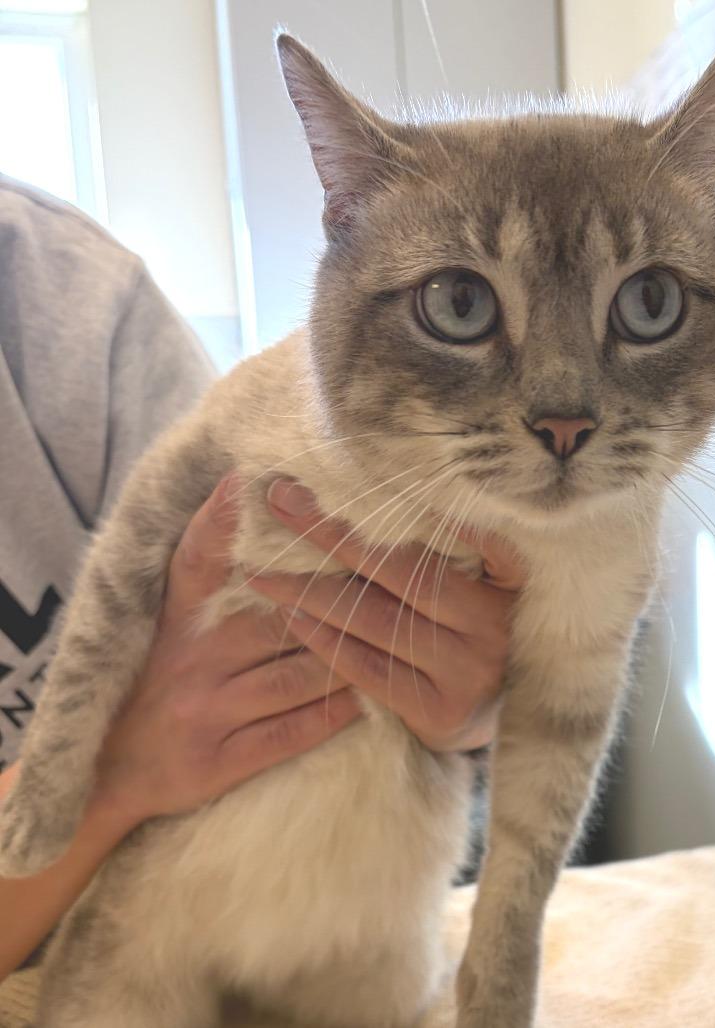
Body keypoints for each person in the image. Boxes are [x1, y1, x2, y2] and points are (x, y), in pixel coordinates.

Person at [0, 175, 520, 981]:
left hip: (338, 906)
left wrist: (481, 707)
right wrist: (106, 772)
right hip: (120, 927)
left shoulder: (70, 294)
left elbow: (195, 554)